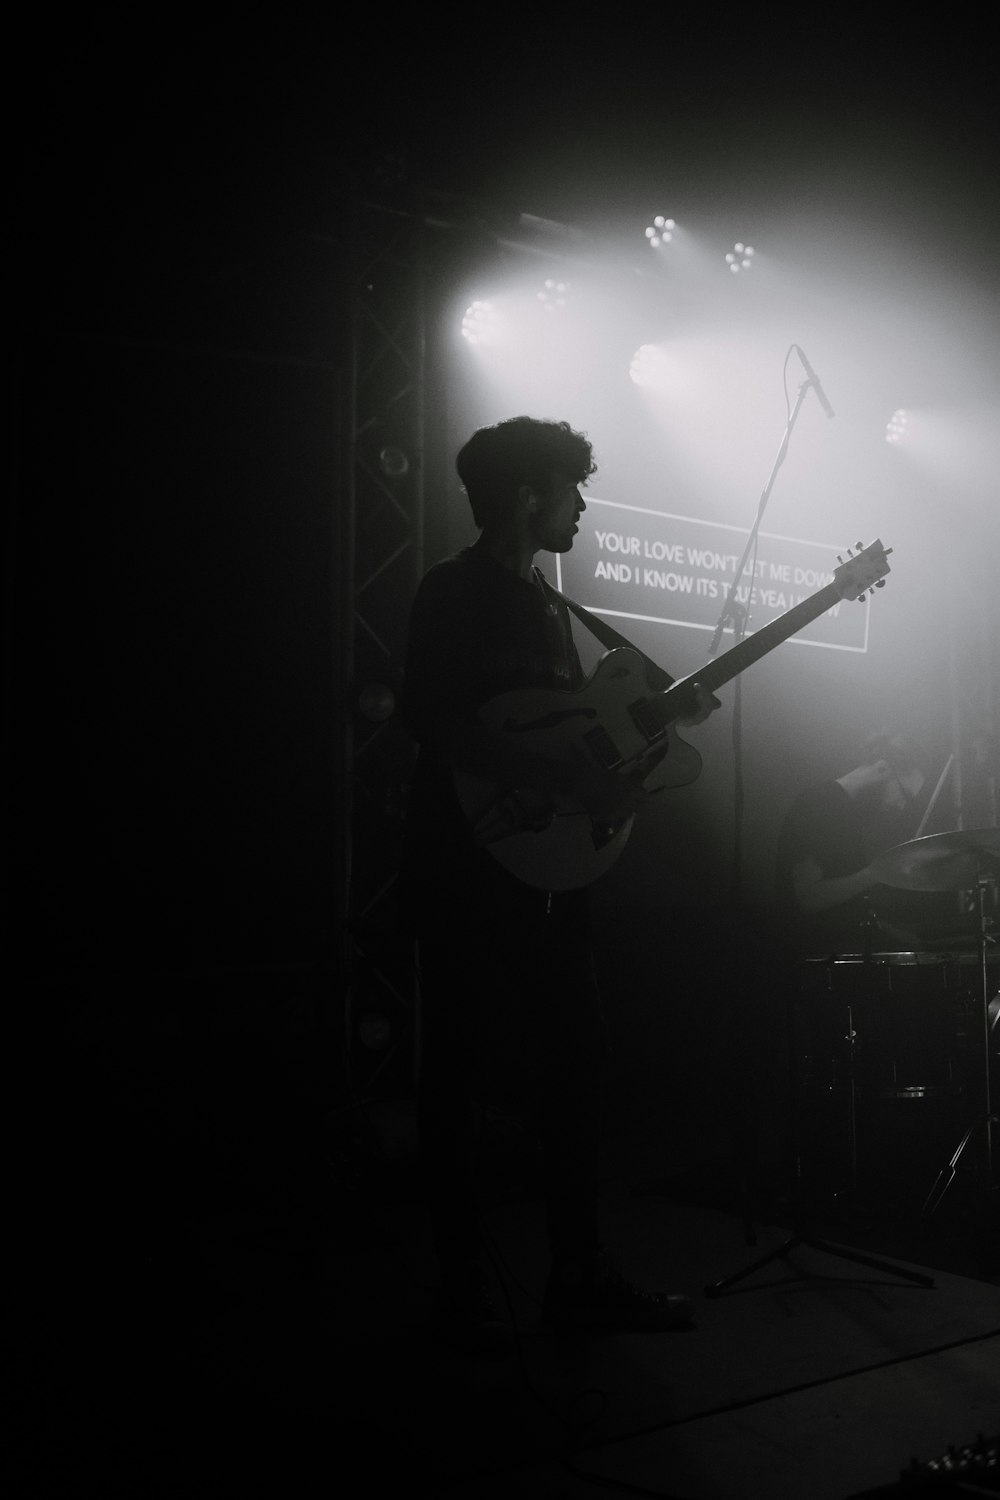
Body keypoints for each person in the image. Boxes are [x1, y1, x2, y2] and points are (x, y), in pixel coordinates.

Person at [398, 416, 718, 1356]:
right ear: (528, 493)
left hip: (547, 875)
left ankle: (577, 1277)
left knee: (575, 1063)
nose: (582, 505)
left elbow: (570, 734)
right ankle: (462, 1291)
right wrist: (570, 782)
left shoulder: (552, 610)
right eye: (571, 489)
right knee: (453, 1072)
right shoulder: (452, 592)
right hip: (460, 863)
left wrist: (644, 742)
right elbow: (435, 719)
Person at [774, 732, 927, 959]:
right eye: (905, 795)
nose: (902, 807)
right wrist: (880, 871)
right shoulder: (820, 805)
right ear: (883, 768)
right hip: (817, 963)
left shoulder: (846, 811)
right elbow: (809, 898)